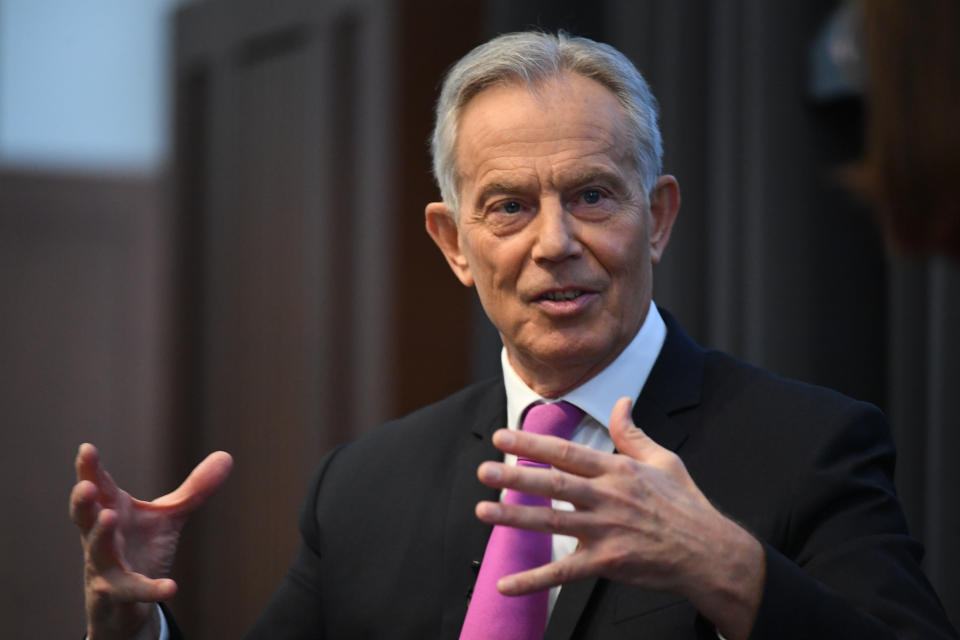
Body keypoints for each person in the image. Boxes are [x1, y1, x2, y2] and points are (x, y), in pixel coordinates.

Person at [69, 31, 958, 639]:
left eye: (592, 195)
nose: (554, 243)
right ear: (455, 245)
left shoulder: (812, 447)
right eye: (509, 207)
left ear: (658, 218)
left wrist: (730, 568)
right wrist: (134, 624)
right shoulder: (362, 486)